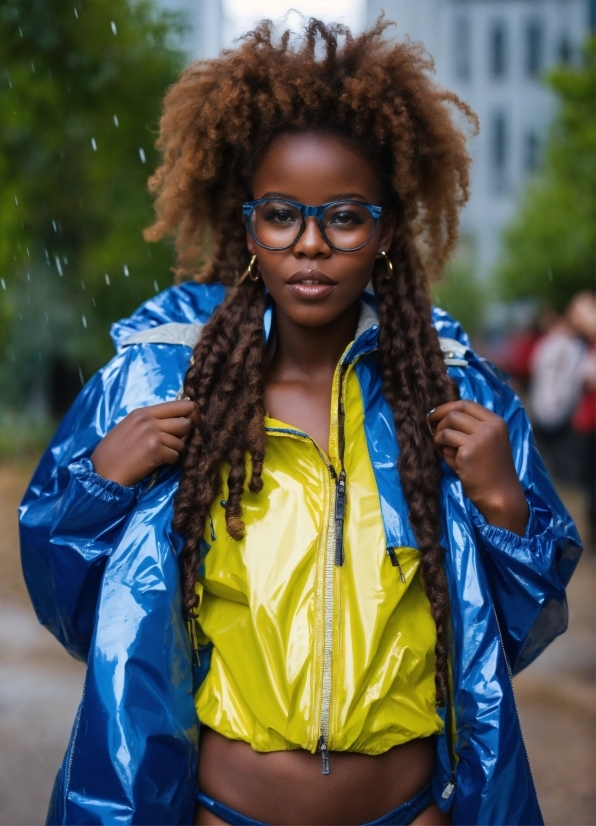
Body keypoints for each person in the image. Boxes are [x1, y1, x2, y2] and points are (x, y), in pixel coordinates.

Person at [19, 18, 581, 826]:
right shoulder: (159, 384)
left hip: (409, 812)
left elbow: (516, 631)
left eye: (345, 216)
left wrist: (504, 505)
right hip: (224, 811)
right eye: (283, 215)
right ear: (249, 226)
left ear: (384, 230)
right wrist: (99, 485)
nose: (310, 245)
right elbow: (73, 610)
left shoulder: (453, 394)